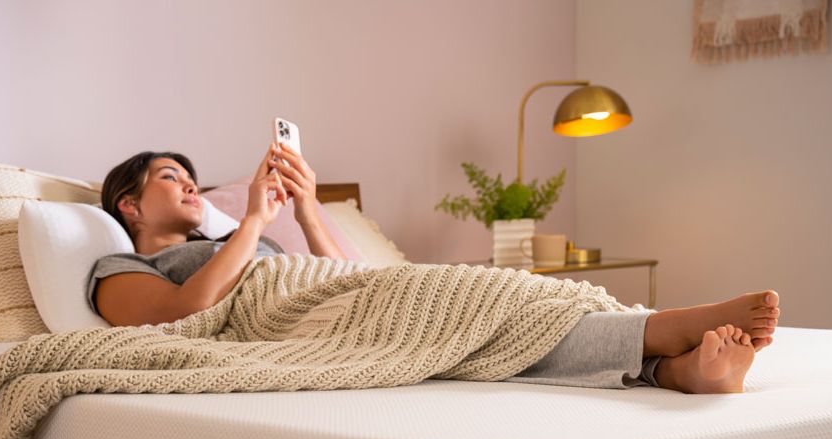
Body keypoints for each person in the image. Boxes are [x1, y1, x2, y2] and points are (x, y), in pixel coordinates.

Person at [88, 143, 781, 394]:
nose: (189, 188)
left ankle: (672, 367)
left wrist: (304, 211)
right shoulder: (117, 264)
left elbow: (345, 276)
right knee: (476, 298)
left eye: (191, 179)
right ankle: (658, 338)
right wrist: (254, 225)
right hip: (272, 313)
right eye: (172, 178)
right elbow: (184, 315)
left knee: (491, 307)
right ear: (129, 203)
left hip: (331, 295)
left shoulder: (259, 236)